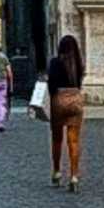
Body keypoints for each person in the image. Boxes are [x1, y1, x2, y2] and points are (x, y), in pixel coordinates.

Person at [45, 35, 84, 184]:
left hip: (59, 99)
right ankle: (74, 175)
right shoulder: (78, 64)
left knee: (57, 139)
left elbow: (52, 85)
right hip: (75, 99)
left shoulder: (55, 62)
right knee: (73, 140)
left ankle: (56, 171)